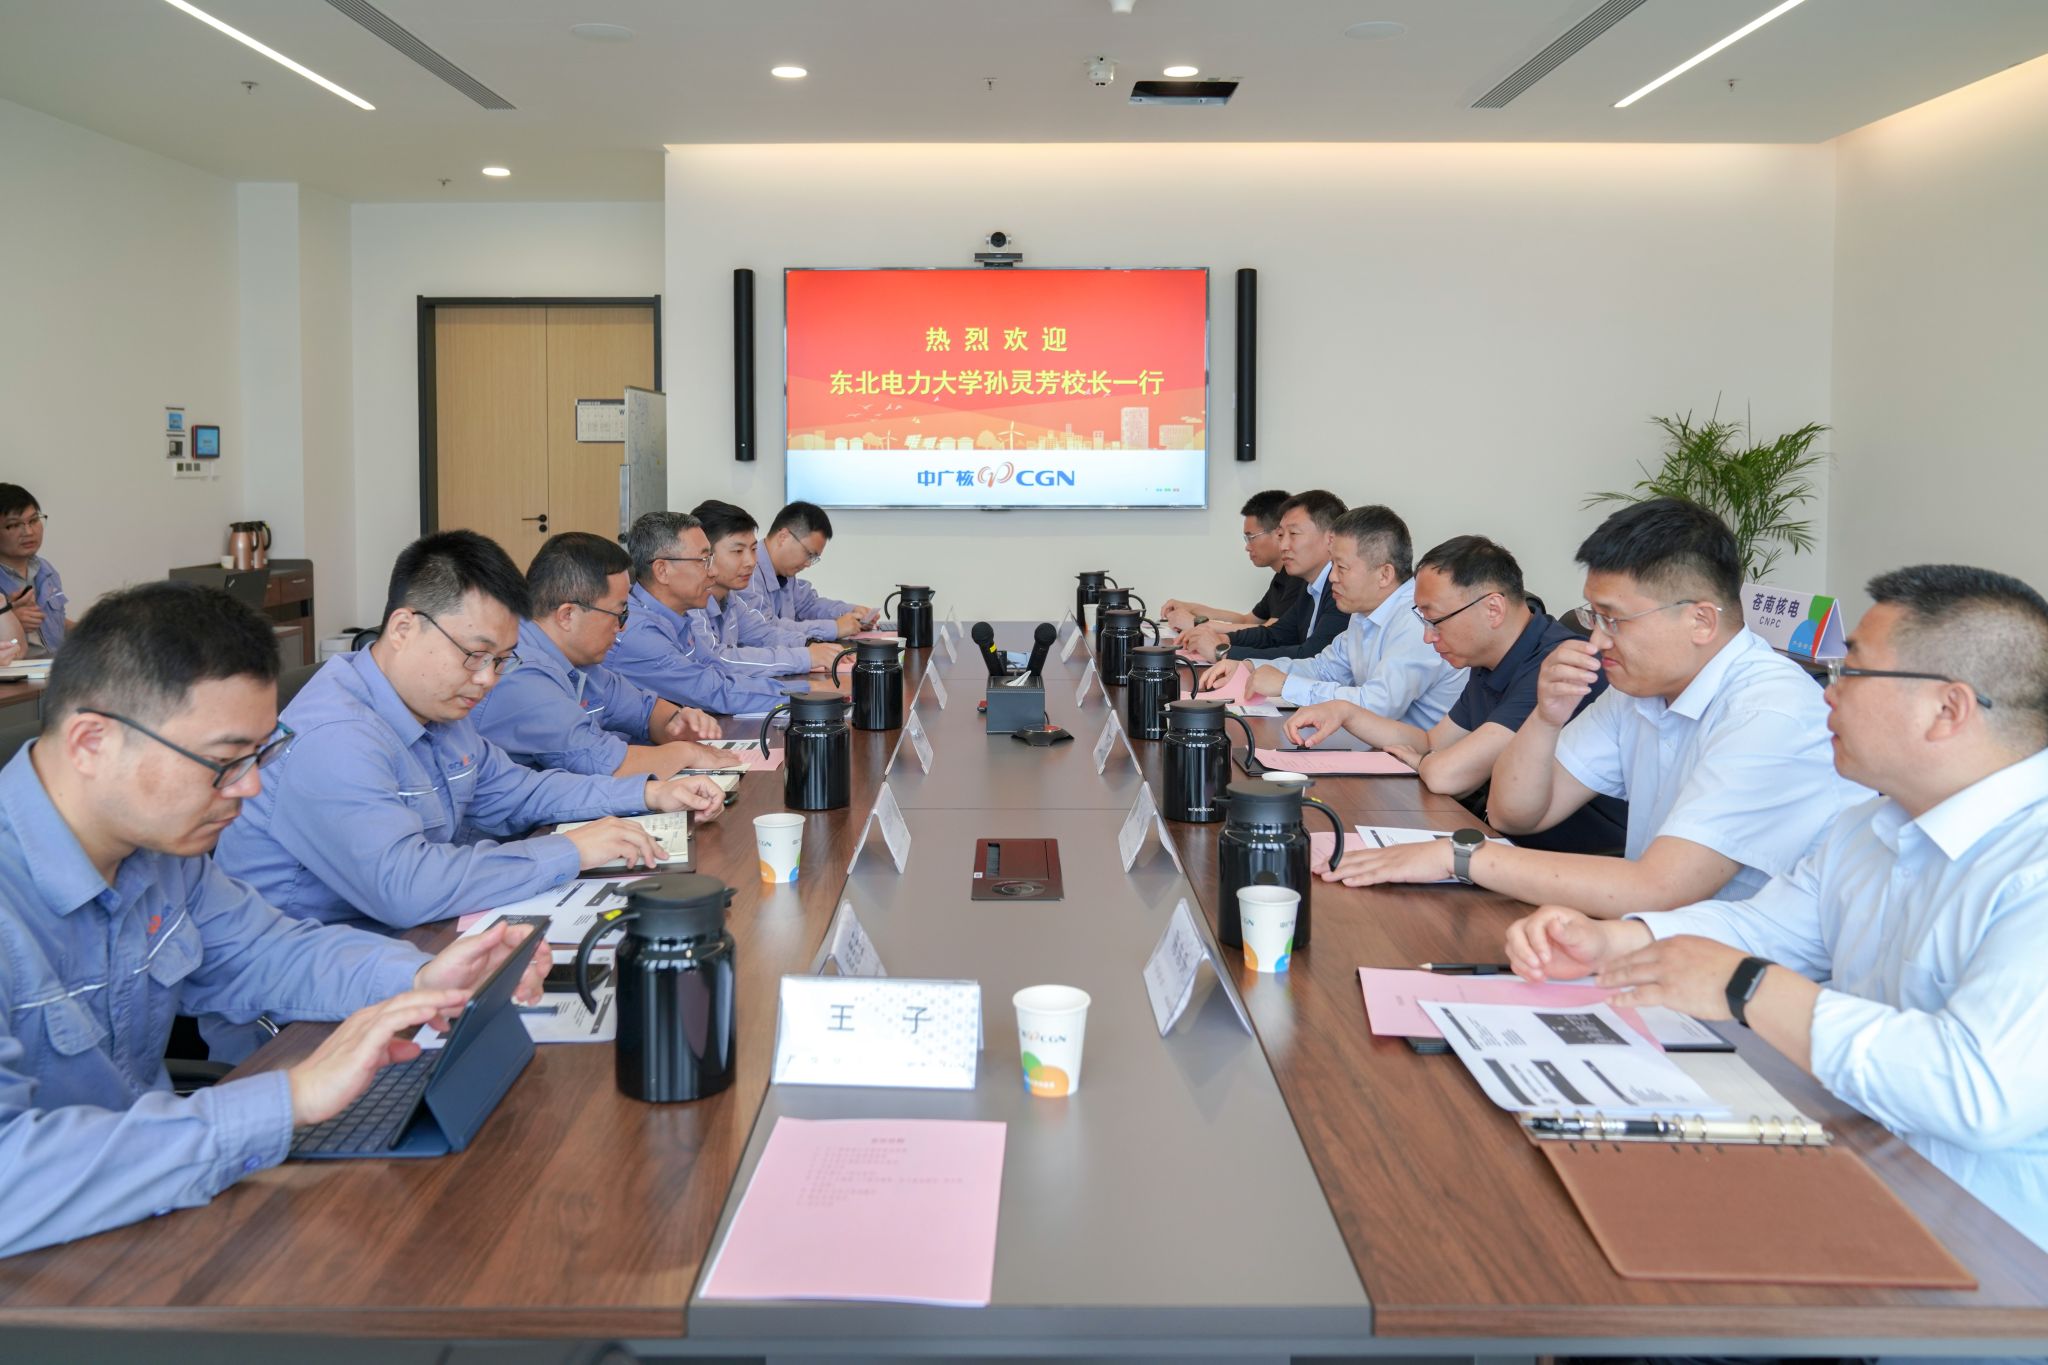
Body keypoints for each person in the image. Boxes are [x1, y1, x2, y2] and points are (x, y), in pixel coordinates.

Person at [1504, 564, 2048, 1253]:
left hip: (1988, 1257)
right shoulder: (1869, 825)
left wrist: (1749, 986)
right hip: (1851, 1176)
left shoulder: (2032, 867)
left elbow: (1977, 1088)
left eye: (1851, 672)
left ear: (1949, 709)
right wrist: (1617, 940)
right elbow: (1765, 926)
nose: (1828, 692)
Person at [0, 581, 551, 1258]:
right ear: (91, 742)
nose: (250, 786)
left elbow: (270, 952)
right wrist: (288, 1097)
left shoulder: (160, 852)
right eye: (224, 761)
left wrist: (424, 977)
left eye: (261, 755)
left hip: (154, 1209)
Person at [1333, 498, 1863, 913]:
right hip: (1655, 944)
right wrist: (1546, 716)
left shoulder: (1767, 712)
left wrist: (1462, 857)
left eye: (1614, 619)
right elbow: (1515, 813)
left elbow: (1660, 887)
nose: (1598, 639)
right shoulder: (1638, 691)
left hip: (1754, 983)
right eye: (1594, 617)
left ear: (1700, 620)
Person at [215, 530, 726, 937]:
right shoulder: (336, 738)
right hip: (315, 998)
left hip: (417, 943)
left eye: (501, 660)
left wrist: (648, 793)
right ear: (403, 629)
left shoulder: (437, 707)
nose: (487, 679)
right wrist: (571, 850)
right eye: (475, 655)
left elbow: (518, 791)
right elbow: (406, 886)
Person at [1289, 535, 1627, 854]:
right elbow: (1433, 741)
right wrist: (1346, 712)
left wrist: (1426, 762)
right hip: (1505, 842)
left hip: (1570, 859)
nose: (1428, 637)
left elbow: (1448, 774)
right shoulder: (1488, 657)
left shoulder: (1556, 665)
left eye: (1435, 620)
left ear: (1493, 609)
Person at [472, 531, 735, 778]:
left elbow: (644, 710)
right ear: (567, 615)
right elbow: (602, 763)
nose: (622, 627)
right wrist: (687, 753)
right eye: (619, 614)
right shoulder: (521, 671)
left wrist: (677, 721)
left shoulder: (580, 661)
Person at [1200, 505, 1465, 729]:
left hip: (1421, 763)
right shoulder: (1364, 612)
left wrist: (1286, 685)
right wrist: (1250, 668)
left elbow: (1378, 705)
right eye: (1332, 565)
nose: (1333, 577)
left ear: (1384, 574)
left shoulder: (1416, 620)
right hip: (1382, 752)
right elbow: (1325, 669)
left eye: (1341, 567)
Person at [607, 511, 810, 715]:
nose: (713, 572)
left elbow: (718, 670)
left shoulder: (676, 616)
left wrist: (800, 690)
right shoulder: (638, 632)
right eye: (703, 560)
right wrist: (806, 694)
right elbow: (714, 692)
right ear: (662, 570)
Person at [1177, 491, 1348, 663]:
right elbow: (1275, 634)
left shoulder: (1342, 587)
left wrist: (1223, 652)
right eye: (1281, 535)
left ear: (1330, 539)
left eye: (1293, 534)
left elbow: (1313, 657)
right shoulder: (1310, 585)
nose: (1283, 545)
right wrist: (1225, 639)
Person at [687, 501, 841, 679]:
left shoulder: (731, 598)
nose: (751, 561)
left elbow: (764, 633)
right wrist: (806, 657)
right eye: (738, 551)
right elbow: (716, 660)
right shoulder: (689, 603)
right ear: (705, 555)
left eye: (753, 549)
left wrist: (810, 645)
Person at [1161, 489, 1301, 633]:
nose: (1247, 547)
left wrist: (1196, 624)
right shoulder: (1281, 578)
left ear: (1279, 533)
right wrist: (1192, 608)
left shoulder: (1298, 578)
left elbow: (1271, 632)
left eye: (1251, 537)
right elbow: (1247, 621)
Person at [737, 500, 877, 641]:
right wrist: (834, 628)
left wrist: (850, 612)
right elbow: (765, 629)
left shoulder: (785, 573)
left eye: (814, 558)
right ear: (783, 537)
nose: (809, 564)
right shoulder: (747, 574)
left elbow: (808, 605)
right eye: (809, 554)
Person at [0, 484, 69, 656]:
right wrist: (8, 621)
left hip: (52, 666)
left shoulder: (46, 570)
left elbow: (56, 623)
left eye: (33, 521)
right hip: (14, 671)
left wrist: (95, 626)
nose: (29, 532)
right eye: (13, 525)